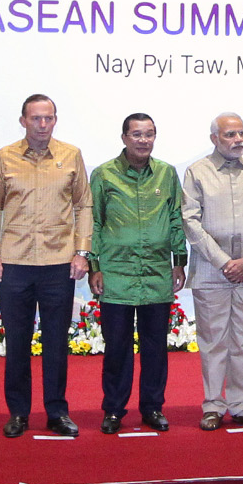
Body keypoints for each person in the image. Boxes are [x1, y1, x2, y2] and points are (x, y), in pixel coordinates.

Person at [0, 95, 91, 438]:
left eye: (48, 118)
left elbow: (84, 207)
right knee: (17, 342)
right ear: (23, 121)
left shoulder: (71, 155)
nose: (42, 124)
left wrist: (82, 252)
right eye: (36, 118)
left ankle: (57, 412)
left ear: (55, 120)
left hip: (59, 264)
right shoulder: (5, 157)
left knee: (57, 343)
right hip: (14, 264)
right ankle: (18, 413)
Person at [183, 112, 243, 430]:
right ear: (214, 138)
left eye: (241, 133)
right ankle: (213, 406)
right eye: (230, 135)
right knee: (213, 340)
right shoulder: (197, 172)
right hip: (213, 271)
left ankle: (241, 405)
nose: (238, 140)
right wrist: (224, 261)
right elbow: (191, 222)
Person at [89, 113, 185, 434]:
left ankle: (153, 407)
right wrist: (95, 266)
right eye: (136, 134)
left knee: (155, 346)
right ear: (124, 138)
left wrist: (179, 260)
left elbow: (175, 219)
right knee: (116, 347)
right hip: (116, 274)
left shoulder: (167, 174)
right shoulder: (104, 175)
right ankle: (114, 409)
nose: (143, 140)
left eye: (149, 134)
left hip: (157, 273)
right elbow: (95, 223)